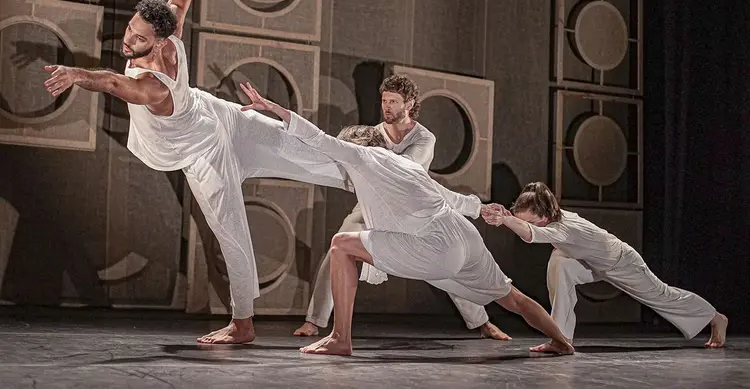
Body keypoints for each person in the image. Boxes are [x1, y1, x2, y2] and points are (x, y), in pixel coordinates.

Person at [42, 0, 352, 344]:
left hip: (211, 134)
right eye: (130, 31)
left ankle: (374, 175)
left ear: (160, 40)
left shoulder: (152, 85)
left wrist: (76, 73)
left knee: (301, 152)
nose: (127, 41)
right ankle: (243, 322)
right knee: (231, 231)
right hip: (207, 133)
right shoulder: (164, 36)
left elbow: (113, 81)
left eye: (138, 39)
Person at [239, 83, 575, 356]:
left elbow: (315, 137)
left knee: (341, 245)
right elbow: (449, 197)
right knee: (511, 296)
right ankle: (561, 341)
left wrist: (273, 109)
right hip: (463, 234)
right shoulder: (410, 165)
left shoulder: (364, 155)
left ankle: (340, 338)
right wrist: (481, 208)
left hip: (432, 245)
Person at [294, 75, 509, 341]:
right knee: (338, 247)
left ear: (409, 104)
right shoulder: (374, 133)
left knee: (446, 268)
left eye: (393, 101)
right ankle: (314, 321)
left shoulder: (424, 138)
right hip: (371, 207)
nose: (387, 106)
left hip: (412, 212)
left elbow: (402, 170)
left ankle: (481, 322)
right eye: (384, 100)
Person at [483, 182, 728, 351]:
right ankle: (561, 338)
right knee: (561, 264)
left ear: (544, 217)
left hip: (622, 263)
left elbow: (529, 234)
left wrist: (506, 220)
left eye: (533, 221)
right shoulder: (553, 216)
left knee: (662, 295)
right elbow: (525, 225)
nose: (530, 224)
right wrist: (506, 215)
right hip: (590, 263)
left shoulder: (563, 227)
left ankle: (715, 318)